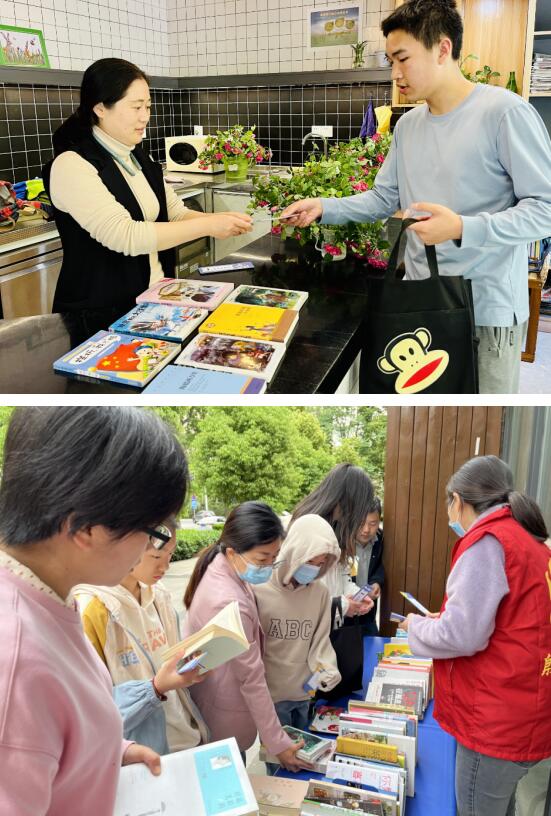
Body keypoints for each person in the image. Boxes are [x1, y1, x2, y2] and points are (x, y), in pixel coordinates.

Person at [281, 0, 551, 394]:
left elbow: (545, 209)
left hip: (483, 312)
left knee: (478, 415)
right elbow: (383, 198)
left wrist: (462, 227)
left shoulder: (504, 113)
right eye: (391, 60)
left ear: (443, 49)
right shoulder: (408, 126)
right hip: (418, 302)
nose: (395, 73)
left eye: (403, 58)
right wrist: (324, 207)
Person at [0, 406, 190, 815]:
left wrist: (111, 750)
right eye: (151, 531)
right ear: (87, 528)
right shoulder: (14, 660)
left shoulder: (51, 596)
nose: (150, 551)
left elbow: (48, 732)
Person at [43, 58, 252, 346]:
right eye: (136, 107)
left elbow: (175, 213)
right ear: (100, 108)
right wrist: (208, 226)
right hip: (100, 317)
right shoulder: (72, 165)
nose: (145, 117)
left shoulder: (139, 157)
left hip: (153, 303)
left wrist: (222, 221)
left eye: (148, 107)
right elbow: (124, 235)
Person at [400, 455, 551, 816]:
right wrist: (447, 620)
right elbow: (507, 620)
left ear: (458, 500)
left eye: (449, 504)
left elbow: (463, 635)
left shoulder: (488, 542)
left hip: (494, 717)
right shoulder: (529, 541)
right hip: (524, 707)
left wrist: (416, 627)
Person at [182, 501, 306, 771]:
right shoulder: (228, 601)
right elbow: (251, 678)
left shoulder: (223, 567)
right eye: (262, 559)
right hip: (222, 716)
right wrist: (278, 744)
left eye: (274, 557)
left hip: (215, 700)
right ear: (232, 551)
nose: (269, 566)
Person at [73, 517, 209, 755]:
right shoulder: (91, 609)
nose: (165, 567)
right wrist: (155, 688)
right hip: (140, 753)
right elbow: (88, 710)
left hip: (185, 736)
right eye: (156, 556)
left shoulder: (159, 595)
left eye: (170, 555)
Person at [254, 514, 342, 773]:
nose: (314, 568)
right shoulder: (259, 589)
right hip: (271, 699)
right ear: (293, 551)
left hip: (305, 692)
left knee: (306, 762)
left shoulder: (320, 593)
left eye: (321, 563)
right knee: (278, 767)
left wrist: (328, 668)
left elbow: (320, 640)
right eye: (310, 561)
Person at [290, 463, 376, 622]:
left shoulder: (338, 528)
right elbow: (298, 597)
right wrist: (343, 605)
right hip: (307, 627)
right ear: (350, 499)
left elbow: (341, 576)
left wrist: (355, 596)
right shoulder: (307, 528)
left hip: (329, 625)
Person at [345, 496, 385, 635]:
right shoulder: (343, 543)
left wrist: (376, 582)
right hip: (346, 614)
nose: (366, 530)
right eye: (361, 523)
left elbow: (380, 565)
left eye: (373, 523)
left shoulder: (380, 540)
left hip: (368, 614)